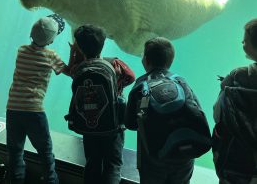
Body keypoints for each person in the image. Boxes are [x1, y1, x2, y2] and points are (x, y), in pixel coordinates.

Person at [125, 37, 204, 184]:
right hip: (184, 156)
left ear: (145, 60)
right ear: (170, 61)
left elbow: (131, 123)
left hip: (153, 158)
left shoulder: (142, 85)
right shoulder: (181, 81)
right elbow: (197, 111)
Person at [66, 24, 135, 184]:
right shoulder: (114, 64)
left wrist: (74, 52)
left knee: (92, 162)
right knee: (113, 165)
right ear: (103, 43)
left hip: (89, 126)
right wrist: (117, 88)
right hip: (112, 127)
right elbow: (131, 76)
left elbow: (70, 71)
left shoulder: (78, 68)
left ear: (81, 48)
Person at [6, 14, 67, 184]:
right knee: (45, 152)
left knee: (15, 152)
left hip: (13, 108)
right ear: (52, 40)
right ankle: (50, 181)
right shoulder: (50, 56)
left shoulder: (21, 50)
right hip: (34, 111)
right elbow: (68, 71)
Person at [213, 18, 257, 184]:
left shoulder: (237, 76)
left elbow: (218, 114)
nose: (242, 42)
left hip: (237, 164)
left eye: (245, 40)